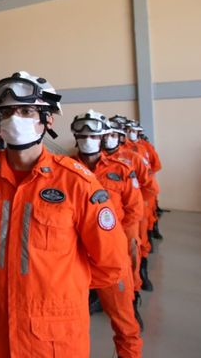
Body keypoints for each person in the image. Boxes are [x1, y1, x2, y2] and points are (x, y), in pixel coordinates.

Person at [0, 71, 127, 358]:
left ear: (48, 119)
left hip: (51, 338)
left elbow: (111, 263)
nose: (15, 119)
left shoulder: (77, 183)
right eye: (7, 111)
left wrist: (59, 287)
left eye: (27, 111)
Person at [72, 110, 144, 355]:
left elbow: (134, 210)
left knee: (125, 323)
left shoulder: (122, 169)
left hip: (111, 255)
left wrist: (118, 243)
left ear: (102, 137)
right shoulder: (65, 169)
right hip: (76, 257)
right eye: (82, 135)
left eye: (92, 135)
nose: (87, 139)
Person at [104, 117, 155, 292]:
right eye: (105, 135)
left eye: (112, 134)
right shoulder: (96, 160)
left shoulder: (134, 156)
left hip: (130, 217)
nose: (107, 138)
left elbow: (150, 187)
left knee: (134, 251)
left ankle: (136, 288)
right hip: (105, 220)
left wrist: (136, 205)